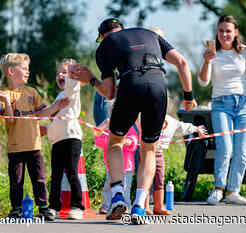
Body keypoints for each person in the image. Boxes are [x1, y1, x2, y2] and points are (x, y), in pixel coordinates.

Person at [69, 18, 196, 222]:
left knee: (115, 142)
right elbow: (182, 62)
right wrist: (189, 97)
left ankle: (118, 194)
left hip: (130, 86)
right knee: (149, 149)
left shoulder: (105, 46)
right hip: (158, 87)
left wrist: (91, 79)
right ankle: (139, 205)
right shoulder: (149, 34)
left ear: (101, 36)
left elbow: (109, 92)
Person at [198, 15, 246, 205]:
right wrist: (206, 61)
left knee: (241, 151)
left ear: (235, 32)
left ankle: (233, 191)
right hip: (221, 104)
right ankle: (218, 189)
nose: (224, 34)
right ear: (217, 32)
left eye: (228, 31)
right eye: (221, 30)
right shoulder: (212, 52)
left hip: (244, 105)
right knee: (225, 147)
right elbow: (203, 81)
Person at [0, 53, 70, 221]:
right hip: (15, 147)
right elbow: (9, 119)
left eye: (28, 69)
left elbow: (41, 114)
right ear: (11, 71)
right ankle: (16, 209)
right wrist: (7, 102)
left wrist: (55, 106)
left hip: (34, 145)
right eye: (24, 69)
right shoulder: (4, 94)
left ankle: (43, 208)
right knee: (16, 180)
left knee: (39, 178)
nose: (28, 72)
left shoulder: (32, 92)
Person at [40, 58, 86, 220]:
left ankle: (77, 206)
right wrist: (47, 129)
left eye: (64, 72)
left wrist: (73, 75)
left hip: (72, 138)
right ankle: (53, 207)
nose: (60, 75)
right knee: (56, 174)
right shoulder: (59, 96)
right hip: (57, 141)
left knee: (72, 172)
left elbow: (72, 85)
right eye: (58, 72)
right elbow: (56, 117)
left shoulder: (72, 90)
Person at [144, 114, 206, 215]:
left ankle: (158, 206)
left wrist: (196, 129)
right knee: (146, 180)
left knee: (159, 179)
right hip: (146, 152)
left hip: (159, 153)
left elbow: (182, 127)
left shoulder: (170, 120)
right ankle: (145, 206)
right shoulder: (145, 115)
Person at [95, 117, 138, 216]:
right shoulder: (108, 126)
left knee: (125, 188)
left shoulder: (129, 125)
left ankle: (126, 206)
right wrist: (102, 129)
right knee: (108, 187)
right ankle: (106, 206)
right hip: (111, 167)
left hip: (126, 167)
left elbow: (134, 140)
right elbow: (98, 141)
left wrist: (128, 141)